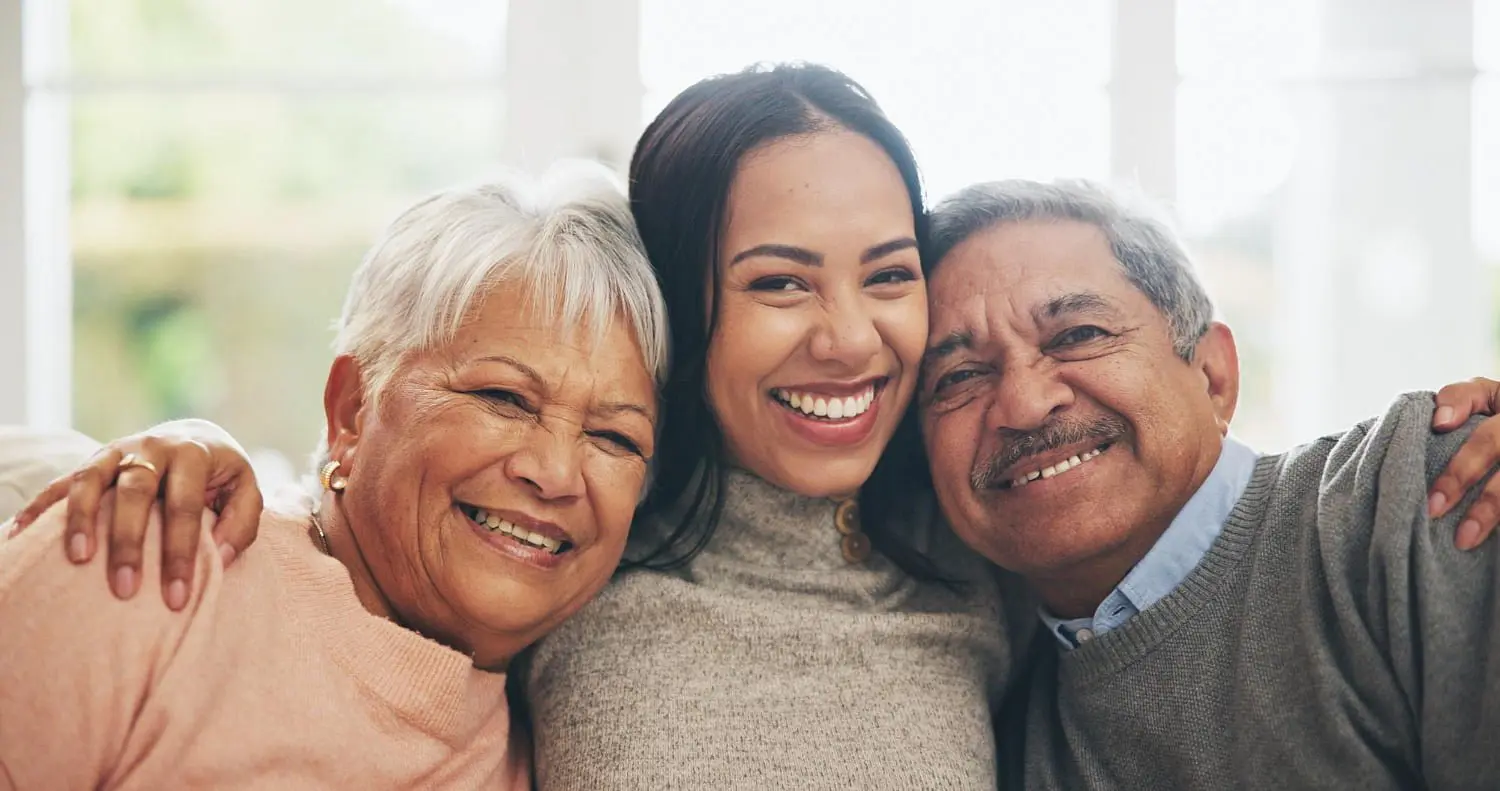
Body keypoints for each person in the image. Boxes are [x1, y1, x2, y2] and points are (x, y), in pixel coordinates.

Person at [11, 63, 1500, 790]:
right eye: (777, 281)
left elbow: (1192, 516)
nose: (849, 335)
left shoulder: (978, 564)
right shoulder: (582, 567)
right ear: (688, 310)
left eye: (888, 279)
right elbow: (382, 543)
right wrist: (184, 448)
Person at [0, 167, 668, 789]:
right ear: (351, 408)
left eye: (614, 436)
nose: (555, 472)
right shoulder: (141, 555)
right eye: (504, 397)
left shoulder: (578, 731)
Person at [918, 178, 1500, 789]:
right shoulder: (974, 708)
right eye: (959, 376)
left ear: (1213, 373)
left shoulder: (1421, 494)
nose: (1025, 402)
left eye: (1077, 336)